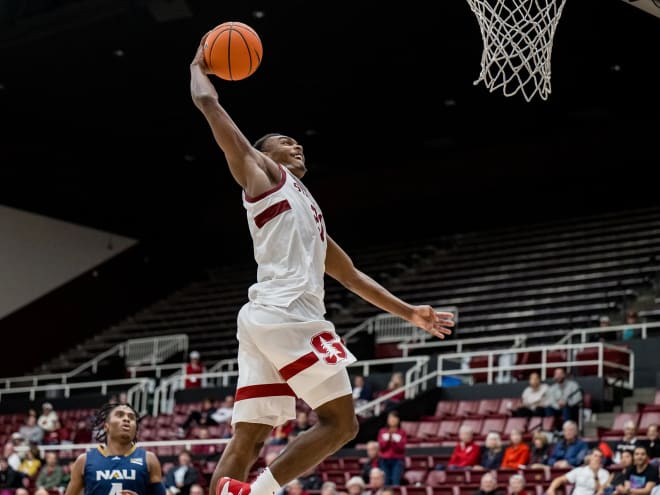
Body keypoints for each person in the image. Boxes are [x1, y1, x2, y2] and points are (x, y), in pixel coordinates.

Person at [189, 31, 455, 495]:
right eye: (284, 141)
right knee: (341, 423)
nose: (296, 145)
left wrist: (409, 312)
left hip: (262, 317)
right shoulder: (262, 174)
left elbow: (351, 276)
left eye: (297, 142)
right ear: (263, 152)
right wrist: (198, 65)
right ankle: (261, 493)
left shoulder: (308, 207)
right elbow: (211, 108)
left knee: (249, 436)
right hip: (288, 311)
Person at [63, 402, 165, 495]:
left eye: (131, 417)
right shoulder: (84, 461)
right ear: (106, 426)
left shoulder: (149, 459)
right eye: (120, 415)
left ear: (136, 429)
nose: (126, 419)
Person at [376, 411, 406, 486]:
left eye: (394, 418)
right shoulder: (382, 431)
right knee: (385, 482)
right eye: (390, 418)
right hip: (384, 460)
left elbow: (401, 448)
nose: (392, 420)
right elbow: (381, 447)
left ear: (398, 419)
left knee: (395, 482)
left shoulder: (402, 432)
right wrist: (388, 439)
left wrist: (393, 441)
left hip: (397, 460)